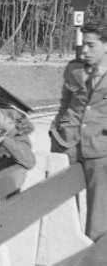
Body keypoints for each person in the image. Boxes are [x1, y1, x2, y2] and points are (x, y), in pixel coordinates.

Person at [50, 19, 107, 241]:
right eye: (84, 44)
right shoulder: (73, 69)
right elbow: (65, 103)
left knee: (99, 211)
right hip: (67, 145)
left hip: (100, 149)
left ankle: (94, 257)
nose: (85, 50)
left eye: (91, 45)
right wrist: (57, 130)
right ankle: (65, 251)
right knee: (64, 207)